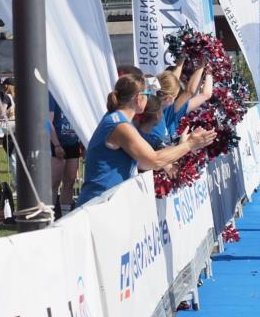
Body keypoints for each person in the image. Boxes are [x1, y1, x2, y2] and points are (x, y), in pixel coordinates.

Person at [76, 73, 216, 207]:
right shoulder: (120, 126)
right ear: (138, 98)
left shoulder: (119, 119)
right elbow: (153, 161)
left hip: (105, 202)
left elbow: (143, 163)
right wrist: (189, 144)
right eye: (147, 95)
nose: (150, 99)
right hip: (98, 203)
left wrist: (183, 146)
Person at [49, 93, 82, 218]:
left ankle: (65, 216)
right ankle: (49, 217)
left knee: (70, 181)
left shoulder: (76, 93)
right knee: (54, 182)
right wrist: (56, 144)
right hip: (56, 142)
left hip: (73, 142)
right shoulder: (53, 95)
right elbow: (48, 122)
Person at [0, 77, 17, 181]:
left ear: (7, 86)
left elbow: (1, 113)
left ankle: (18, 184)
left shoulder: (7, 97)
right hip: (22, 131)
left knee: (12, 159)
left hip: (11, 132)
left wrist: (6, 113)